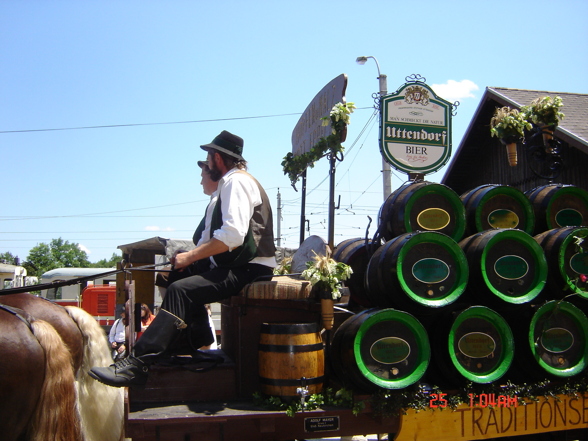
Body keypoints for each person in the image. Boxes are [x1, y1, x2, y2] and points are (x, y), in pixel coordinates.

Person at [90, 130, 277, 387]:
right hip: (239, 264)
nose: (206, 165)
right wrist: (186, 260)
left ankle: (137, 365)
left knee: (181, 290)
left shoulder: (236, 182)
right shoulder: (230, 184)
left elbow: (232, 235)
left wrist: (190, 256)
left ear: (218, 159)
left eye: (209, 159)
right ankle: (191, 338)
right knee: (173, 275)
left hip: (251, 269)